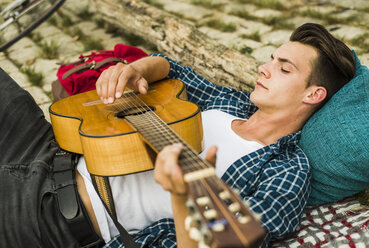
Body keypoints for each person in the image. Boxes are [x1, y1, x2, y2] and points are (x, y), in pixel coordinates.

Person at [0, 23, 355, 248]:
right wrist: (134, 69)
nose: (264, 67)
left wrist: (183, 196)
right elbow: (173, 67)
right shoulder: (230, 102)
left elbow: (220, 241)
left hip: (51, 220)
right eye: (271, 58)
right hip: (48, 148)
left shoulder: (288, 171)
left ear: (313, 95)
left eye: (284, 68)